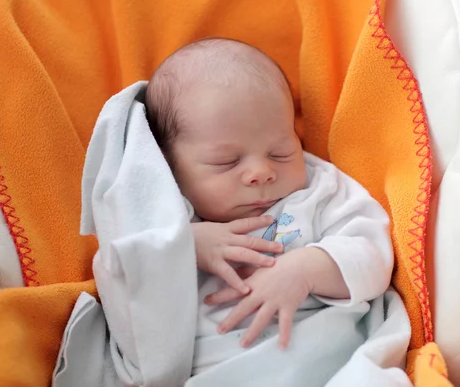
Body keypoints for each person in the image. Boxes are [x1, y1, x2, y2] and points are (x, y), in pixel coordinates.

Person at [145, 38, 394, 374]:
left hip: (322, 359)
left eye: (281, 152)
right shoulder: (163, 213)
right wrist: (184, 243)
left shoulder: (318, 190)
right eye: (227, 162)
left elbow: (374, 256)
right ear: (169, 164)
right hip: (212, 366)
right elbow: (126, 275)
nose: (262, 172)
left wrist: (305, 270)